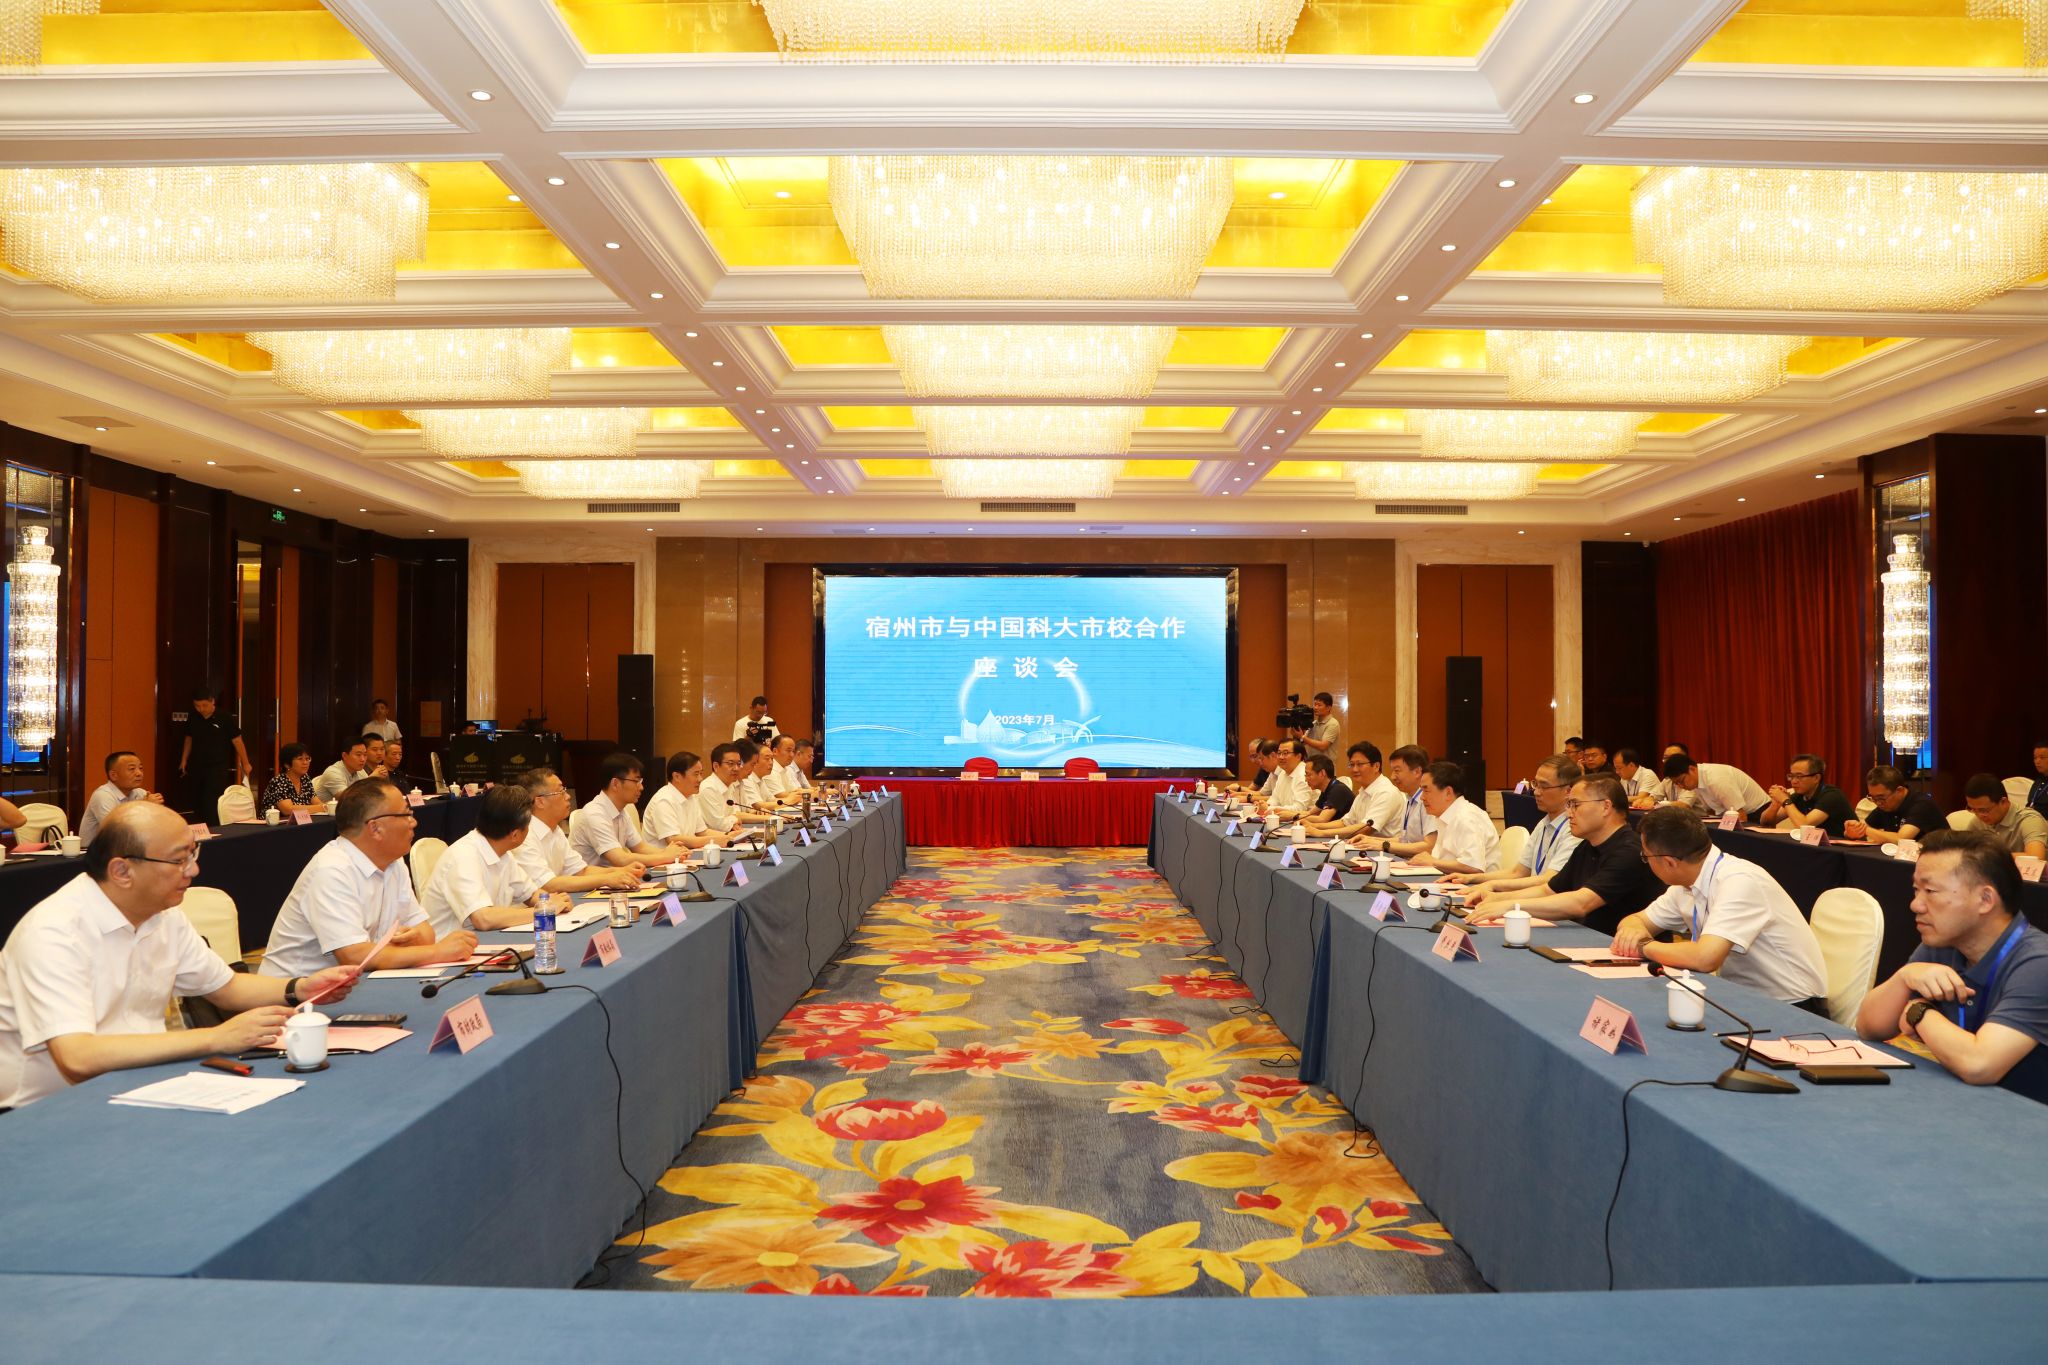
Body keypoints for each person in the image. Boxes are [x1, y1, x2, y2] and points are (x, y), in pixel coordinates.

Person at [0, 803, 360, 1110]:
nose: (193, 870)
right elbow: (77, 1057)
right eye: (179, 860)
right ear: (122, 871)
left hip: (142, 1083)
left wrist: (299, 987)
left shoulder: (163, 916)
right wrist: (217, 1037)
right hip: (45, 1110)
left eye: (193, 854)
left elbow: (227, 988)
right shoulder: (54, 932)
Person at [1855, 830, 2047, 1104]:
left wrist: (1919, 1012)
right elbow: (1868, 1027)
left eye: (1930, 891)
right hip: (1962, 1104)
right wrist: (1904, 977)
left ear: (1985, 900)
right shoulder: (1943, 943)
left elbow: (1979, 1065)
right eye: (1916, 890)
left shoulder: (2038, 963)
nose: (1915, 904)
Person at [1613, 805, 1830, 1010]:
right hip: (1739, 996)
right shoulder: (1685, 885)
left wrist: (1643, 946)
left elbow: (1705, 958)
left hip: (1793, 1006)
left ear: (1670, 862)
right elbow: (1633, 921)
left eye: (1646, 856)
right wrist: (1633, 933)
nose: (1646, 861)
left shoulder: (1739, 880)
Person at [259, 779, 477, 978]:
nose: (413, 823)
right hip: (294, 996)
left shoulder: (393, 862)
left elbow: (426, 933)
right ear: (375, 828)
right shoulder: (332, 870)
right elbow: (354, 956)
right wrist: (437, 952)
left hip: (353, 984)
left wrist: (412, 942)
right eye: (405, 815)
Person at [1466, 775, 1666, 935]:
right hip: (1588, 939)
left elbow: (1581, 903)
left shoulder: (1629, 851)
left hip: (1621, 951)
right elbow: (1549, 890)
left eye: (1575, 805)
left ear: (1606, 806)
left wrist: (1510, 905)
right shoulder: (1587, 846)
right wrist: (1494, 898)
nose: (1569, 813)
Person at [421, 785, 547, 938]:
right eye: (528, 826)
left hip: (485, 940)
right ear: (515, 835)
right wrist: (543, 911)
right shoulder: (463, 856)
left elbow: (530, 894)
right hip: (448, 947)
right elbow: (483, 919)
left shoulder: (502, 851)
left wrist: (551, 902)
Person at [1451, 756, 1581, 889]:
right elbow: (1518, 872)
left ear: (1568, 791)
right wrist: (1472, 878)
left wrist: (1491, 886)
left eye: (1544, 786)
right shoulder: (1544, 823)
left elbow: (1549, 880)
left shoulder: (1574, 829)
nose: (1536, 792)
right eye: (1536, 784)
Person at [512, 768, 641, 896]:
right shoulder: (524, 836)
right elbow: (549, 884)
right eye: (561, 792)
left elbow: (581, 871)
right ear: (540, 802)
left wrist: (621, 871)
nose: (568, 796)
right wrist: (606, 879)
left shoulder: (555, 830)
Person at [571, 752, 688, 871]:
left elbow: (640, 848)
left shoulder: (622, 811)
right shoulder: (594, 814)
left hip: (616, 876)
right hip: (594, 880)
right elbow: (621, 859)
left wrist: (669, 852)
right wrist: (666, 857)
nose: (641, 787)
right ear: (615, 784)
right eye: (636, 781)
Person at [1412, 762, 1497, 874]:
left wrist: (1432, 861)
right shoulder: (1445, 815)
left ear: (1448, 792)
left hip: (1477, 883)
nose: (1422, 797)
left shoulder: (1466, 817)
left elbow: (1474, 866)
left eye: (1426, 790)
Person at [1352, 745, 1436, 857]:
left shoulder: (1429, 800)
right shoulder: (1409, 798)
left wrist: (1384, 845)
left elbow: (1429, 846)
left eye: (1397, 771)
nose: (1392, 776)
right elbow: (1405, 841)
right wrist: (1372, 840)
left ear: (1416, 772)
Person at [178, 689, 250, 819]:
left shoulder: (225, 717)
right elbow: (189, 738)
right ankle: (200, 826)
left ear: (212, 702)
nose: (201, 709)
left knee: (212, 801)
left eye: (204, 705)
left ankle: (213, 827)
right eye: (197, 706)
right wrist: (184, 759)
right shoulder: (193, 716)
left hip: (217, 766)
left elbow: (237, 740)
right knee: (197, 799)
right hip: (197, 765)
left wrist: (246, 763)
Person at [643, 751, 733, 851]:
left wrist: (729, 836)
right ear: (677, 776)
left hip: (685, 854)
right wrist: (712, 840)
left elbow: (702, 832)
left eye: (701, 773)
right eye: (696, 774)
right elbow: (673, 839)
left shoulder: (691, 797)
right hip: (663, 858)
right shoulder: (664, 800)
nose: (700, 779)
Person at [78, 751, 164, 847]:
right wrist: (144, 807)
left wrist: (155, 808)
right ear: (114, 775)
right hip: (94, 852)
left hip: (126, 849)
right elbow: (116, 832)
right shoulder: (103, 796)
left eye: (140, 768)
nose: (139, 773)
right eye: (132, 769)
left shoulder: (140, 793)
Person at [1320, 742, 1403, 841]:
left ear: (1376, 766)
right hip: (1363, 845)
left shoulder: (1386, 792)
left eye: (1359, 764)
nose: (1355, 769)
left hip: (1383, 848)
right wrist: (1314, 827)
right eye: (1352, 764)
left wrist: (1321, 833)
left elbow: (1365, 828)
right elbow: (1346, 822)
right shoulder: (1364, 791)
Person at [1761, 754, 1855, 838]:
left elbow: (1804, 825)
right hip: (1818, 845)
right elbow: (1765, 823)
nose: (1793, 781)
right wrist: (1775, 804)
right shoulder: (1798, 796)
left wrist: (1785, 800)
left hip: (1846, 847)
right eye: (1791, 776)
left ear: (1816, 778)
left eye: (1799, 776)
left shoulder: (1832, 795)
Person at [1844, 765, 1942, 846]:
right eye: (1872, 798)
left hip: (1938, 858)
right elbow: (1864, 828)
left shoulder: (1922, 804)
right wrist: (1852, 831)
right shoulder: (1884, 805)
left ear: (1899, 790)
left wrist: (1865, 830)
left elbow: (1901, 839)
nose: (1878, 803)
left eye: (1881, 798)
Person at [1661, 754, 1769, 823]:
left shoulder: (1716, 778)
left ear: (1692, 769)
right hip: (1734, 817)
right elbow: (1711, 812)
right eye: (1676, 784)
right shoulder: (1696, 781)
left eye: (1681, 781)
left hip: (1758, 814)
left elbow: (1740, 816)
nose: (1681, 786)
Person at [1963, 773, 2048, 860]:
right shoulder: (1978, 821)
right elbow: (1962, 852)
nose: (1979, 815)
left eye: (1984, 810)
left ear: (2003, 802)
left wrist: (1989, 856)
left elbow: (2036, 857)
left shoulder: (2029, 820)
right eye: (1972, 809)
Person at [259, 743, 327, 818]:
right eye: (300, 759)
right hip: (274, 824)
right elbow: (287, 810)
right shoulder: (278, 781)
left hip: (299, 822)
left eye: (307, 759)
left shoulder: (305, 778)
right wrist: (322, 807)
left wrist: (323, 806)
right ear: (287, 764)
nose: (305, 762)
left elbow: (317, 802)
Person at [1258, 739, 1314, 817]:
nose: (1281, 757)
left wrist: (1270, 808)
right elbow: (1275, 799)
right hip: (1285, 819)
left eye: (1285, 753)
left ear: (1298, 756)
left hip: (1304, 820)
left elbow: (1300, 808)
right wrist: (1266, 805)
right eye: (1279, 753)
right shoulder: (1283, 773)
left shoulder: (1304, 775)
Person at [1297, 755, 1354, 829]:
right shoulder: (1327, 789)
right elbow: (1310, 813)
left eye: (1308, 775)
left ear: (1322, 773)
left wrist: (1294, 817)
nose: (1305, 779)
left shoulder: (1338, 790)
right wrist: (1286, 813)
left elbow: (1322, 819)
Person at [314, 739, 370, 804]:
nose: (363, 759)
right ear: (344, 756)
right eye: (358, 755)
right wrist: (372, 777)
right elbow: (348, 799)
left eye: (365, 755)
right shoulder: (333, 772)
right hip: (325, 810)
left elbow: (369, 795)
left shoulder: (361, 771)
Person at [1299, 692, 1340, 758]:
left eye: (1319, 705)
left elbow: (1323, 746)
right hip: (1311, 762)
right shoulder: (1314, 723)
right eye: (1315, 704)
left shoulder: (1333, 724)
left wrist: (1302, 737)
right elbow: (1304, 742)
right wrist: (1299, 734)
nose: (1315, 707)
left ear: (1328, 708)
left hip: (1325, 763)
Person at [2028, 743, 2048, 823]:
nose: (2037, 761)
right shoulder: (2039, 780)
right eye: (2035, 758)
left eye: (2042, 757)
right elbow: (2030, 803)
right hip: (2031, 819)